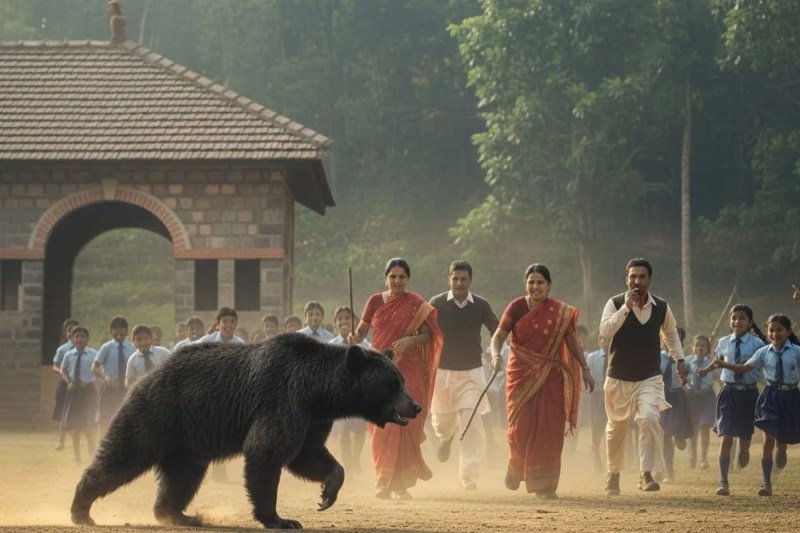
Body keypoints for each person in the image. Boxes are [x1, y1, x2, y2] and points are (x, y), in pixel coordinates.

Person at [489, 263, 594, 498]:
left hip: (551, 377)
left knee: (550, 429)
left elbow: (572, 340)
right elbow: (498, 337)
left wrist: (585, 368)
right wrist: (496, 355)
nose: (535, 287)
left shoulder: (559, 312)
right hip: (520, 376)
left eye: (540, 283)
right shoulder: (516, 307)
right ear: (525, 284)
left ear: (549, 286)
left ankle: (545, 486)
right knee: (520, 429)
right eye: (531, 282)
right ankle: (515, 467)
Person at [348, 257, 443, 499]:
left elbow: (427, 335)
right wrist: (354, 337)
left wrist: (410, 340)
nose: (397, 281)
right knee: (383, 425)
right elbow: (361, 330)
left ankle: (399, 484)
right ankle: (383, 481)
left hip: (408, 373)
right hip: (380, 370)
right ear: (386, 278)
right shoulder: (375, 301)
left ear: (408, 279)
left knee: (404, 423)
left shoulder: (417, 303)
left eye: (402, 277)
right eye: (393, 277)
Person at [599, 258, 686, 495]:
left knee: (648, 418)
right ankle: (613, 474)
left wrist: (680, 360)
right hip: (618, 376)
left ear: (650, 280)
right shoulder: (615, 303)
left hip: (649, 376)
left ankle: (646, 473)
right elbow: (605, 331)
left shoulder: (661, 306)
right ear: (626, 279)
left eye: (642, 277)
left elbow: (670, 333)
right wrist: (626, 308)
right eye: (632, 277)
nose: (637, 281)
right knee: (616, 428)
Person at [700, 314, 800, 496]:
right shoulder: (763, 352)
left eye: (779, 330)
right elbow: (744, 368)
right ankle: (766, 483)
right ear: (767, 332)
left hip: (791, 396)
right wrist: (722, 364)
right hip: (770, 396)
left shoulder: (795, 351)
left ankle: (782, 449)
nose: (775, 334)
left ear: (788, 332)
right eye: (771, 330)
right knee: (767, 440)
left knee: (781, 440)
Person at [429, 260, 499, 490]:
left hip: (471, 372)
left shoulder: (481, 305)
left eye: (464, 279)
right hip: (442, 373)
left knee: (471, 422)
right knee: (443, 423)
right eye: (455, 278)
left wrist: (495, 353)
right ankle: (445, 438)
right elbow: (422, 331)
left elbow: (497, 331)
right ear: (448, 279)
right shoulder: (436, 303)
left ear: (471, 280)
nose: (459, 283)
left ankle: (469, 475)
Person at [699, 304, 766, 496]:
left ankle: (744, 451)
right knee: (726, 436)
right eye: (734, 318)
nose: (737, 322)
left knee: (745, 436)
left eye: (742, 318)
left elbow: (762, 364)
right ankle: (723, 480)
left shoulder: (757, 345)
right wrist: (705, 371)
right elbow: (717, 360)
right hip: (728, 393)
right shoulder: (724, 341)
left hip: (748, 393)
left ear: (750, 322)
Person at [329, 306, 370, 474]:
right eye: (340, 319)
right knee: (343, 431)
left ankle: (355, 459)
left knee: (359, 430)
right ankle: (347, 463)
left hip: (359, 393)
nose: (344, 321)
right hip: (339, 393)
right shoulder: (330, 345)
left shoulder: (365, 344)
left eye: (348, 318)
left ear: (355, 322)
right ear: (335, 323)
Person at [658, 327, 693, 484]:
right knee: (665, 435)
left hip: (679, 399)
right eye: (668, 337)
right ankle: (669, 472)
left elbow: (692, 375)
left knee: (679, 439)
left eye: (676, 338)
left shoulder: (686, 359)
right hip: (663, 399)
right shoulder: (657, 357)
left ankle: (680, 437)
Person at [59, 326, 98, 466]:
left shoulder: (94, 354)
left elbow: (99, 369)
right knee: (75, 426)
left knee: (89, 423)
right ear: (72, 339)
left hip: (88, 391)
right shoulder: (68, 355)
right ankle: (77, 456)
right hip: (73, 392)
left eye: (83, 337)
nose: (80, 339)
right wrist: (68, 381)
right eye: (77, 337)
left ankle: (92, 453)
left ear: (87, 339)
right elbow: (63, 370)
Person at [92, 315, 135, 433]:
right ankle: (101, 445)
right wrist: (105, 377)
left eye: (122, 329)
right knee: (104, 419)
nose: (119, 333)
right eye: (115, 329)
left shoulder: (132, 348)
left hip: (126, 389)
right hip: (109, 388)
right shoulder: (106, 347)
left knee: (126, 419)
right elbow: (95, 368)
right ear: (111, 331)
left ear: (127, 331)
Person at [686, 335, 716, 471]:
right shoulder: (687, 361)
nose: (699, 348)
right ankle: (693, 457)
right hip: (691, 396)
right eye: (697, 345)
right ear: (692, 347)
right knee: (693, 429)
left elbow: (720, 377)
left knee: (704, 427)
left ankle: (704, 458)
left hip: (706, 396)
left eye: (703, 346)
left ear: (708, 349)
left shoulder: (712, 363)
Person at [53, 318, 79, 450]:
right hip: (65, 384)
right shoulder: (63, 349)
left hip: (79, 385)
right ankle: (61, 440)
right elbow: (55, 366)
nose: (72, 333)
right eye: (69, 330)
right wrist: (64, 374)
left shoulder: (85, 348)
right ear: (66, 332)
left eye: (74, 330)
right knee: (64, 412)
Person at [585, 334, 610, 471]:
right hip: (597, 396)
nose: (604, 340)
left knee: (613, 427)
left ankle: (613, 461)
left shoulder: (617, 356)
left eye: (607, 337)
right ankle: (596, 460)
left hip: (613, 396)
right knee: (596, 428)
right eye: (601, 338)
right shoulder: (592, 357)